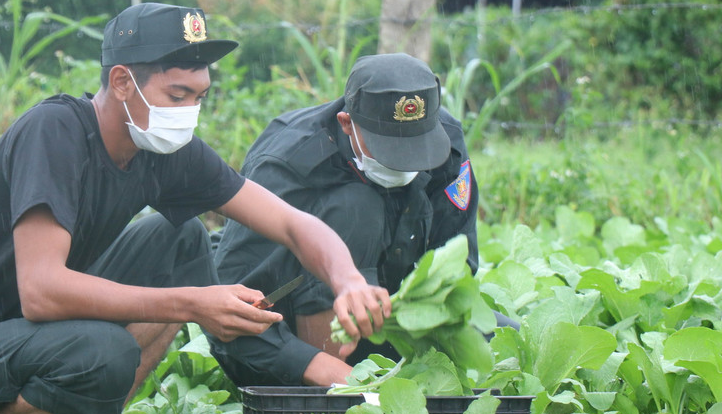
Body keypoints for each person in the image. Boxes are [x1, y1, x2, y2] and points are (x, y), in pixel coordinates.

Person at [0, 3, 389, 414]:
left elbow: (292, 224)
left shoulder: (164, 149)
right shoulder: (54, 131)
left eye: (199, 96)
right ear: (122, 82)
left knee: (182, 238)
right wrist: (193, 304)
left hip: (15, 342)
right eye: (176, 95)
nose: (189, 111)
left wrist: (347, 281)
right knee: (104, 352)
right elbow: (40, 289)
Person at [209, 52, 516, 388]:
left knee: (509, 343)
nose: (405, 165)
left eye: (417, 149)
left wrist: (411, 318)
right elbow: (229, 301)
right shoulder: (288, 162)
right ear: (346, 123)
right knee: (357, 206)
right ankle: (315, 403)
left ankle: (379, 377)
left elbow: (457, 264)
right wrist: (309, 365)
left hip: (389, 325)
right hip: (286, 342)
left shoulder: (447, 143)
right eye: (390, 151)